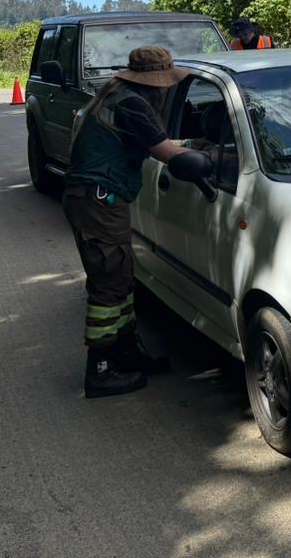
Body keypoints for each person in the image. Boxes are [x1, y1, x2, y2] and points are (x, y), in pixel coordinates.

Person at [62, 46, 203, 398]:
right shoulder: (133, 105)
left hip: (98, 200)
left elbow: (156, 140)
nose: (167, 89)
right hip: (98, 201)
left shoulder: (118, 96)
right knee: (109, 283)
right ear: (155, 82)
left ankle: (125, 354)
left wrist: (192, 142)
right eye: (165, 83)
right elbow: (166, 153)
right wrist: (210, 157)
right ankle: (100, 368)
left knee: (122, 278)